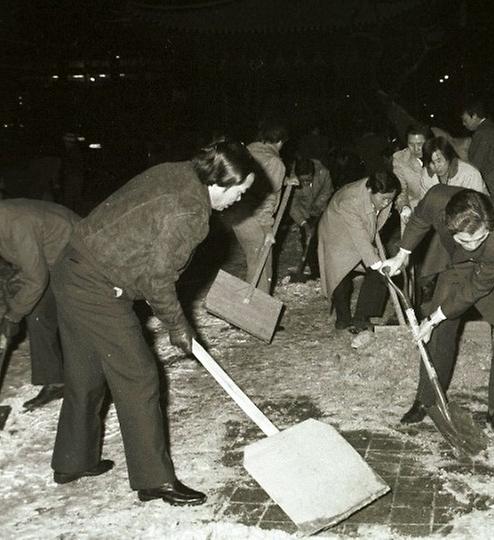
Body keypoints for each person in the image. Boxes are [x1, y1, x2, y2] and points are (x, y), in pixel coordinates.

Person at [50, 140, 257, 506]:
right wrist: (177, 326)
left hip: (71, 266)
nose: (239, 201)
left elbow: (141, 242)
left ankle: (72, 460)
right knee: (139, 375)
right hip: (95, 285)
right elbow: (157, 281)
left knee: (86, 370)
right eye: (239, 192)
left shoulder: (177, 170)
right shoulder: (190, 213)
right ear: (219, 184)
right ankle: (154, 480)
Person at [380, 187, 494, 439]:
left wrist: (434, 316)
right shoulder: (437, 199)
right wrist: (401, 255)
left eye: (477, 239)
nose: (472, 246)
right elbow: (419, 219)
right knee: (439, 328)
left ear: (487, 227)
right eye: (465, 240)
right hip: (458, 262)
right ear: (449, 224)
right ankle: (427, 399)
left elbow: (474, 289)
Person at [0, 199, 79, 410]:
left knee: (47, 311)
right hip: (54, 260)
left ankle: (92, 376)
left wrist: (12, 315)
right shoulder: (5, 221)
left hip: (79, 258)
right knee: (34, 311)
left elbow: (37, 279)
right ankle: (55, 381)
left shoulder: (16, 224)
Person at [317, 168, 399, 333]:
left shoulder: (380, 192)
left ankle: (361, 317)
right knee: (340, 275)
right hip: (337, 234)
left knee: (378, 272)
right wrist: (376, 264)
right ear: (370, 190)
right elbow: (360, 239)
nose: (386, 204)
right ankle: (343, 319)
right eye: (384, 199)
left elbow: (366, 231)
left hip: (361, 229)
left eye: (390, 199)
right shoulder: (351, 200)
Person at [222, 119, 288, 293]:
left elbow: (257, 179)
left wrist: (286, 180)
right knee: (262, 259)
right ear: (280, 141)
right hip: (252, 216)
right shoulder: (275, 162)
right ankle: (256, 310)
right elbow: (267, 198)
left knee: (254, 257)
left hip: (233, 212)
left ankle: (251, 303)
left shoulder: (249, 149)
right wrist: (267, 228)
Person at [461, 99, 494, 208]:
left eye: (465, 120)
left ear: (474, 116)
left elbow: (475, 166)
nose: (464, 124)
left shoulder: (482, 133)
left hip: (491, 193)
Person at [288, 157, 333, 280]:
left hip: (321, 208)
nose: (305, 184)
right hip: (303, 211)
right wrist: (304, 223)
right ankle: (315, 272)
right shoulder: (291, 181)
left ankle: (326, 269)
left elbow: (327, 191)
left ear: (313, 174)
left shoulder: (323, 173)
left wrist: (317, 207)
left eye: (308, 180)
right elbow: (292, 205)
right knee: (307, 240)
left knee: (322, 238)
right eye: (302, 181)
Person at [420, 137, 488, 196]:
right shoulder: (426, 174)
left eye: (439, 161)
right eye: (432, 162)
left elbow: (477, 205)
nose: (436, 166)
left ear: (448, 157)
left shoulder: (470, 174)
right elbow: (425, 204)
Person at [391, 124, 429, 224]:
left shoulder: (439, 155)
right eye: (411, 144)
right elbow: (400, 189)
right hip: (414, 211)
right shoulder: (400, 160)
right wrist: (404, 207)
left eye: (420, 144)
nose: (416, 149)